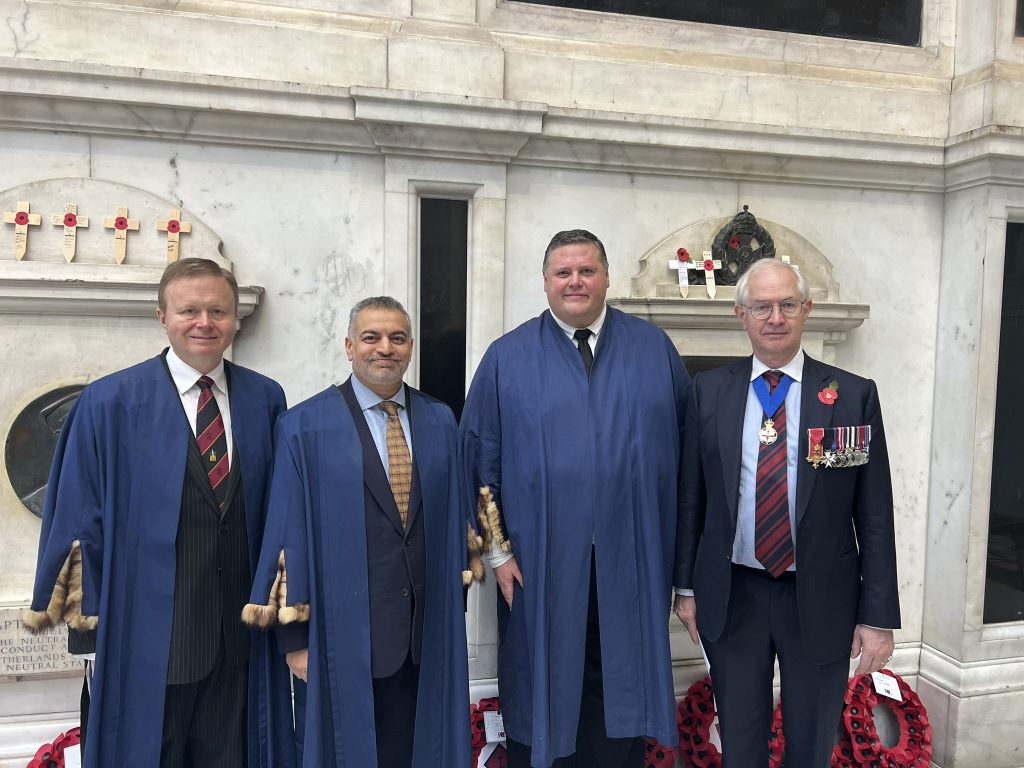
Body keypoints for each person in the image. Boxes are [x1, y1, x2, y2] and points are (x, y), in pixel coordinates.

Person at [25, 257, 290, 767]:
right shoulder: (110, 403)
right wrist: (89, 632)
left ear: (236, 319)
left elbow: (281, 515)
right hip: (146, 640)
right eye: (189, 310)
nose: (204, 323)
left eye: (218, 310)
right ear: (161, 316)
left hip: (240, 643)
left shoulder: (265, 398)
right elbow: (81, 518)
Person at [461, 230, 690, 768]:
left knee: (620, 689)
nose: (575, 282)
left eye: (586, 271)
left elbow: (688, 456)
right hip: (538, 564)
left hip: (631, 560)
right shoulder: (507, 358)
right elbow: (480, 466)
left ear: (606, 278)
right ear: (545, 282)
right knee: (545, 686)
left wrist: (680, 564)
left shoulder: (653, 349)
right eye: (563, 273)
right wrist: (497, 552)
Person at [673, 258, 900, 766]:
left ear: (806, 310)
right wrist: (685, 588)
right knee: (741, 743)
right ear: (741, 315)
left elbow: (875, 513)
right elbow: (693, 497)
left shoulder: (851, 396)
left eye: (786, 305)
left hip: (821, 597)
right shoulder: (707, 392)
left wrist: (878, 617)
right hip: (735, 596)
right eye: (762, 306)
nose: (775, 317)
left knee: (811, 744)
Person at [243, 296, 473, 768]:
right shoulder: (305, 426)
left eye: (397, 338)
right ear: (350, 346)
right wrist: (295, 639)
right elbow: (287, 536)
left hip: (426, 632)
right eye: (371, 337)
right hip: (342, 635)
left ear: (409, 348)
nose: (384, 348)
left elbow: (456, 525)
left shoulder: (440, 420)